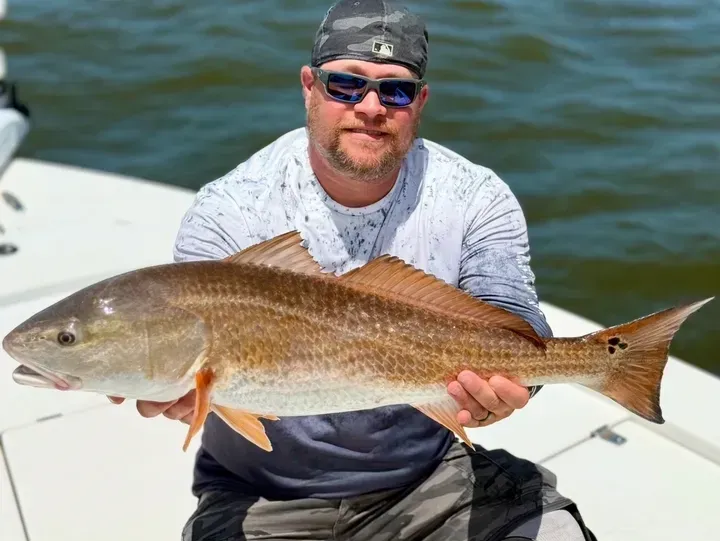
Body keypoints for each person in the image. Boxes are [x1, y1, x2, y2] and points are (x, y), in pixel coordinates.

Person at [110, 1, 597, 539]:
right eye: (346, 84)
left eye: (396, 90)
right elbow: (187, 354)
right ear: (308, 87)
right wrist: (182, 396)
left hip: (432, 478)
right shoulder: (230, 209)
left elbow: (515, 321)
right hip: (261, 490)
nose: (370, 106)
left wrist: (509, 391)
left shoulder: (476, 198)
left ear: (421, 101)